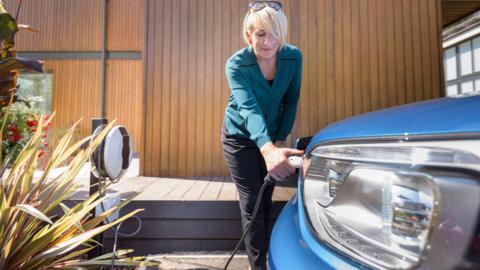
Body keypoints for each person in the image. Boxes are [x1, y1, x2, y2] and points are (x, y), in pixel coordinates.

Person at [221, 1, 303, 269]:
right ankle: (257, 266)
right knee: (252, 203)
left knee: (266, 199)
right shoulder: (236, 65)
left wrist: (278, 142)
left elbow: (290, 101)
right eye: (260, 34)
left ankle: (265, 256)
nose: (268, 42)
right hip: (239, 138)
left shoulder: (293, 57)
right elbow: (249, 108)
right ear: (248, 35)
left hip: (271, 138)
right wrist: (267, 149)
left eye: (274, 33)